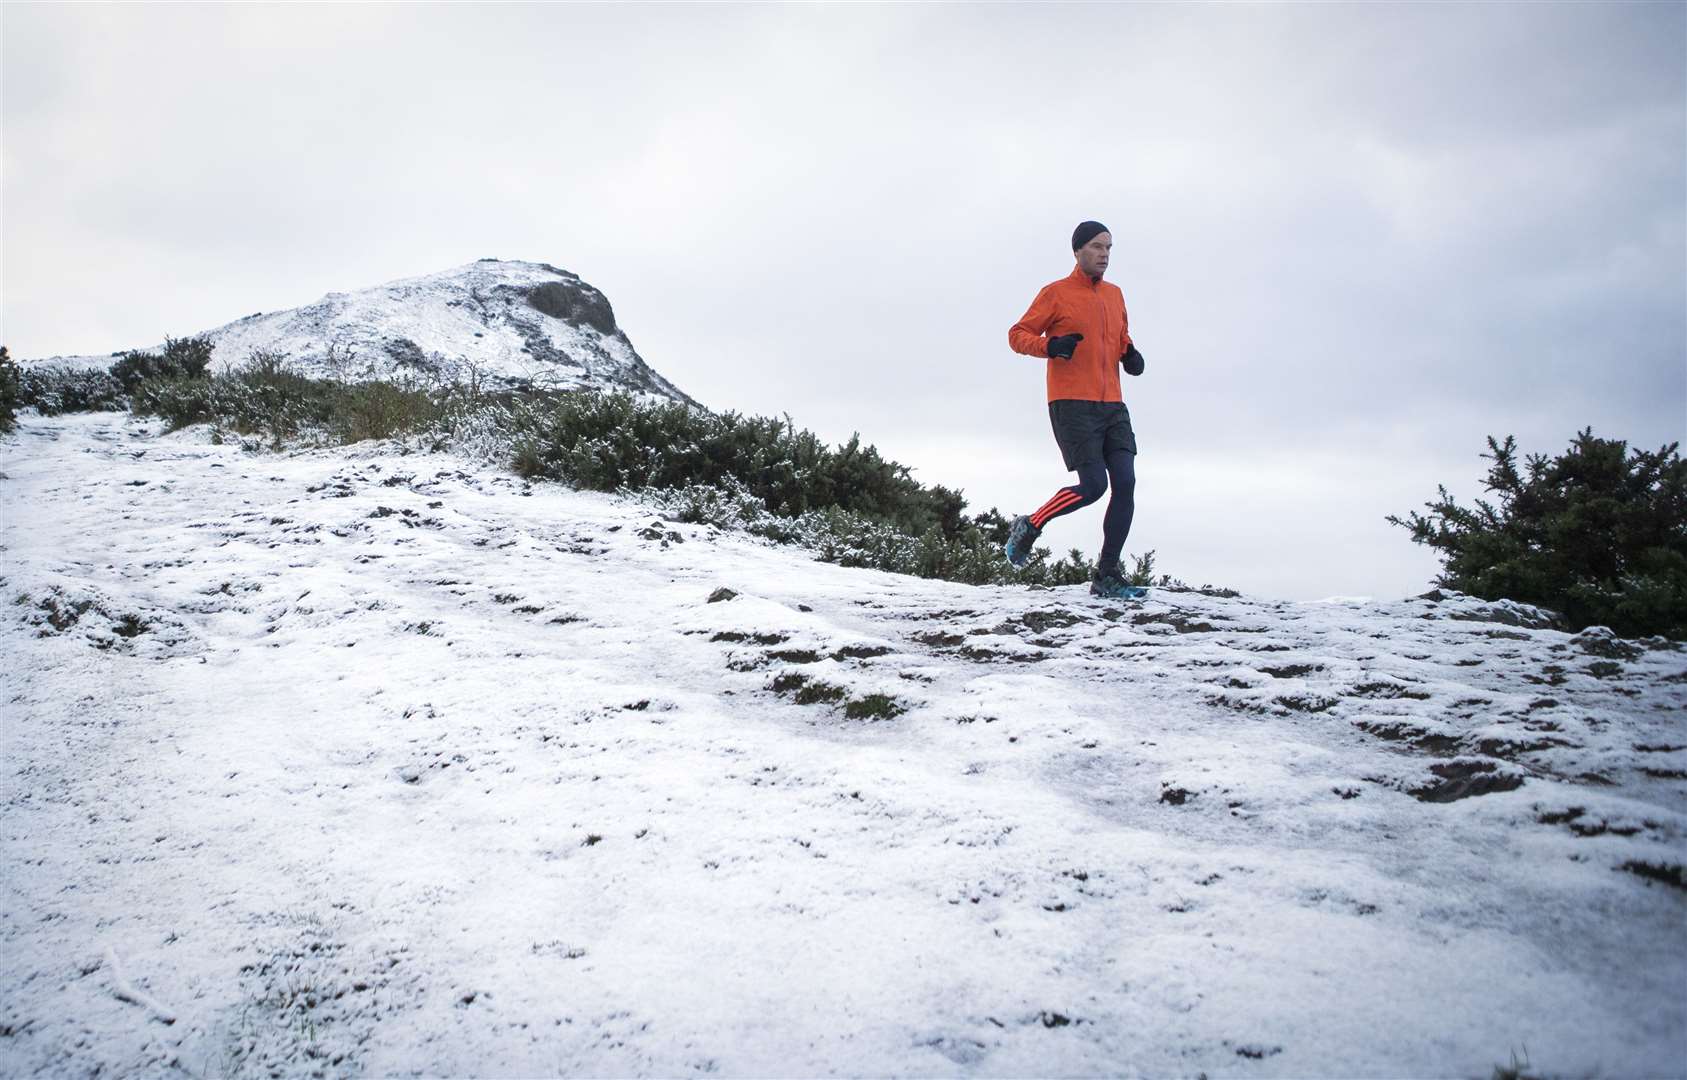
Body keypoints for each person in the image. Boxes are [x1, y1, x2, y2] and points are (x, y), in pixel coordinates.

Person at [1004, 220, 1148, 598]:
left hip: (1113, 404)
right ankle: (1031, 524)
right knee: (1093, 486)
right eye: (1098, 247)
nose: (1104, 255)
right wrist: (1050, 347)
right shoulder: (1056, 293)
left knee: (1126, 483)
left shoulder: (1115, 295)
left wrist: (1130, 355)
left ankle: (1108, 573)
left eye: (1109, 249)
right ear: (1078, 250)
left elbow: (1120, 338)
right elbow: (1017, 335)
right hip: (1071, 404)